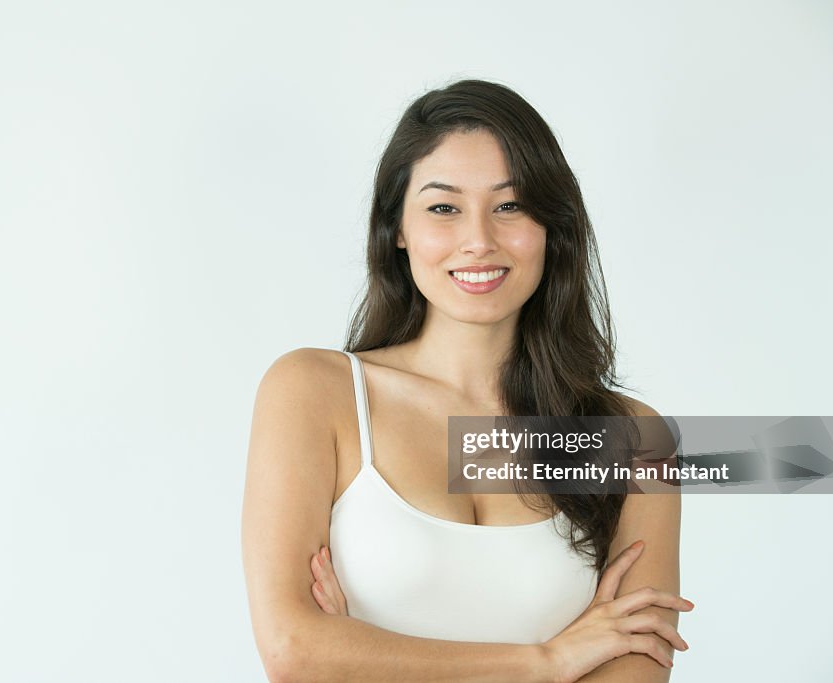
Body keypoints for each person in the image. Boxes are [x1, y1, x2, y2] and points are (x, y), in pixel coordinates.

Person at [242, 79, 690, 683]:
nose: (479, 240)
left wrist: (366, 661)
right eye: (443, 207)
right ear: (397, 228)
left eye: (510, 205)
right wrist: (548, 662)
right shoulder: (314, 393)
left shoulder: (635, 440)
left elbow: (637, 670)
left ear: (552, 228)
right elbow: (294, 652)